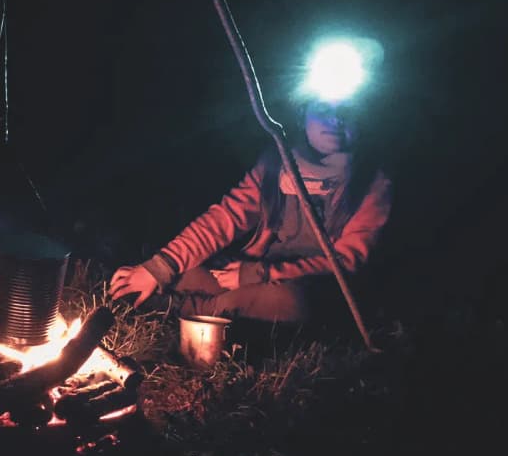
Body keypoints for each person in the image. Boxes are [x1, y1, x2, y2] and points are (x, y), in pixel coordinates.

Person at [110, 97, 393, 326]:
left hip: (309, 286)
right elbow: (224, 219)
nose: (334, 120)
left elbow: (347, 262)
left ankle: (175, 313)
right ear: (302, 115)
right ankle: (177, 307)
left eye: (346, 111)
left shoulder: (373, 182)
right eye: (322, 109)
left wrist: (260, 274)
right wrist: (160, 267)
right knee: (186, 274)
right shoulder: (276, 163)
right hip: (252, 272)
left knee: (278, 302)